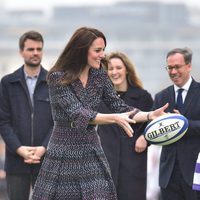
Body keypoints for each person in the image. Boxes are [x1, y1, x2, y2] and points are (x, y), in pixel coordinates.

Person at [31, 26, 168, 200]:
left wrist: (150, 115)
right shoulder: (57, 77)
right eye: (97, 50)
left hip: (91, 149)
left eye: (103, 49)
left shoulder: (100, 77)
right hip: (63, 150)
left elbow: (120, 107)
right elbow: (79, 114)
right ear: (82, 50)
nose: (103, 55)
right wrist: (115, 119)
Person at [0, 31, 54, 200]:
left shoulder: (54, 83)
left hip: (46, 160)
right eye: (31, 49)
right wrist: (19, 149)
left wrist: (43, 148)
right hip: (16, 160)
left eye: (39, 49)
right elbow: (3, 121)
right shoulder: (8, 83)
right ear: (21, 52)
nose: (35, 53)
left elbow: (59, 122)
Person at [97, 51, 153, 200]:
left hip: (133, 163)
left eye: (118, 68)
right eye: (110, 68)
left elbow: (153, 125)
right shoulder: (99, 98)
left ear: (127, 69)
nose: (114, 72)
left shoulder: (143, 97)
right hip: (105, 163)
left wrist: (145, 138)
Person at [153, 47, 200, 200]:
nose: (173, 72)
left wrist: (183, 124)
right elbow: (151, 129)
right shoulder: (161, 97)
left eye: (177, 67)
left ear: (189, 66)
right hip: (169, 175)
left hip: (195, 173)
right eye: (170, 67)